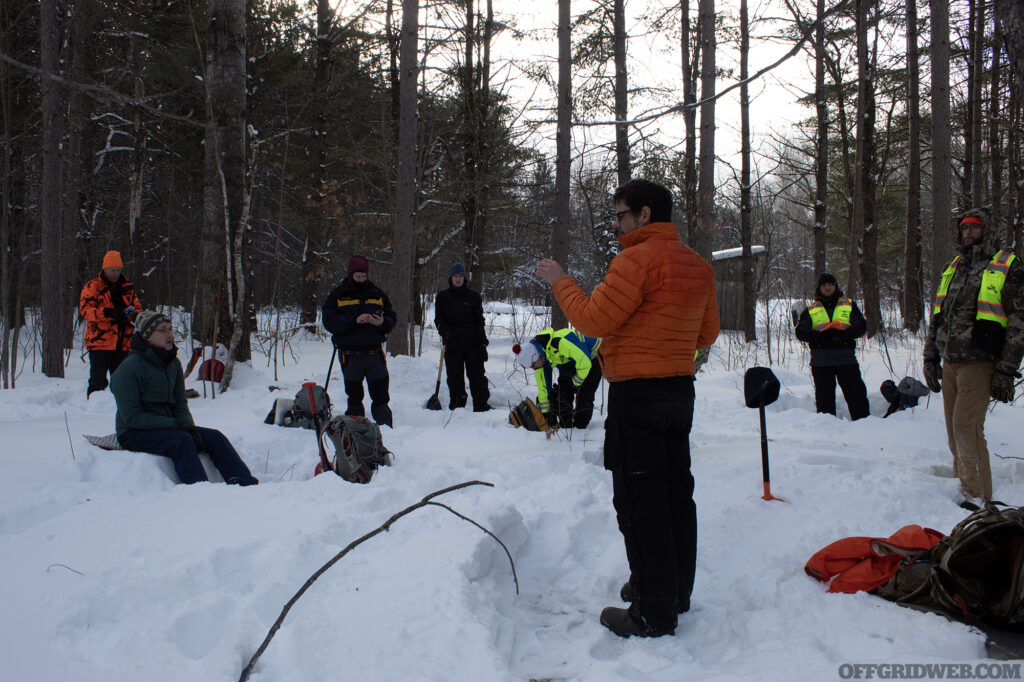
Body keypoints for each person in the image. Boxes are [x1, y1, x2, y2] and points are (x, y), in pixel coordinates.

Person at [536, 179, 719, 638]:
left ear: (644, 215)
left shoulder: (635, 259)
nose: (616, 224)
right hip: (679, 392)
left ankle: (653, 611)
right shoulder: (696, 265)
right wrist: (668, 346)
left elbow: (594, 319)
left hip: (638, 396)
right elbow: (707, 333)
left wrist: (560, 280)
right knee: (676, 493)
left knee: (641, 501)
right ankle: (672, 590)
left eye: (621, 215)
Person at [923, 207, 1023, 509]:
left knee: (968, 428)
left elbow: (1019, 321)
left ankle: (978, 498)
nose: (967, 232)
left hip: (980, 361)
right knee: (955, 430)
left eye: (974, 227)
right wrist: (930, 356)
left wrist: (1006, 369)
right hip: (951, 360)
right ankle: (963, 486)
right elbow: (938, 315)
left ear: (987, 230)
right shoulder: (954, 266)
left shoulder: (1007, 265)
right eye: (964, 227)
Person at [110, 311, 258, 485]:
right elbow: (132, 418)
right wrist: (177, 426)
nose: (170, 335)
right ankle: (198, 490)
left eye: (171, 329)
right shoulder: (128, 369)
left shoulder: (172, 363)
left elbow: (180, 402)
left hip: (168, 427)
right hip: (134, 433)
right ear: (147, 336)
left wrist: (188, 426)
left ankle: (244, 484)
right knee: (182, 442)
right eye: (163, 330)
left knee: (215, 437)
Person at [322, 255, 397, 427]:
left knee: (381, 395)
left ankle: (387, 428)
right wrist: (354, 320)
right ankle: (356, 431)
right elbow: (329, 322)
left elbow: (392, 317)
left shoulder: (377, 293)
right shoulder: (338, 295)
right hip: (350, 355)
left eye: (364, 276)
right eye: (358, 277)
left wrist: (382, 323)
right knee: (354, 397)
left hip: (374, 353)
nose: (362, 280)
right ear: (350, 275)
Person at [794, 273, 870, 420]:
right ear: (819, 288)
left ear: (835, 286)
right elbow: (800, 332)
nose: (828, 288)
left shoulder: (848, 304)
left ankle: (864, 426)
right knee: (824, 399)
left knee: (856, 395)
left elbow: (861, 326)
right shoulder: (811, 309)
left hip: (846, 358)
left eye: (830, 285)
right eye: (824, 285)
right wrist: (818, 336)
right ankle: (827, 430)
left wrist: (844, 334)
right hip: (821, 360)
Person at [79, 250, 142, 398]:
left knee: (122, 381)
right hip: (99, 342)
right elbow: (86, 311)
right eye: (112, 270)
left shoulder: (127, 287)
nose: (115, 273)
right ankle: (94, 408)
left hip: (124, 342)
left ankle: (120, 409)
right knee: (98, 381)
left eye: (118, 270)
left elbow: (138, 309)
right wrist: (106, 313)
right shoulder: (93, 287)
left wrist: (133, 315)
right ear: (104, 269)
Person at [513, 327, 602, 428]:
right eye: (531, 367)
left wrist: (574, 384)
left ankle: (580, 427)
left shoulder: (560, 343)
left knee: (584, 392)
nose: (534, 369)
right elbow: (544, 388)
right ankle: (566, 424)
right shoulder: (540, 361)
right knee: (563, 391)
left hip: (593, 356)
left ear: (537, 356)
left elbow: (585, 363)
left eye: (533, 365)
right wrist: (546, 414)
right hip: (571, 360)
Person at [434, 263, 491, 412]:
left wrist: (483, 341)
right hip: (452, 342)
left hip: (472, 342)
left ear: (464, 278)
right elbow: (439, 319)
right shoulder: (442, 297)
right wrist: (444, 331)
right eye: (455, 276)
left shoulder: (473, 297)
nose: (458, 279)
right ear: (450, 278)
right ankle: (458, 405)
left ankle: (481, 405)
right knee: (454, 376)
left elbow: (479, 320)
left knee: (477, 375)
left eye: (460, 276)